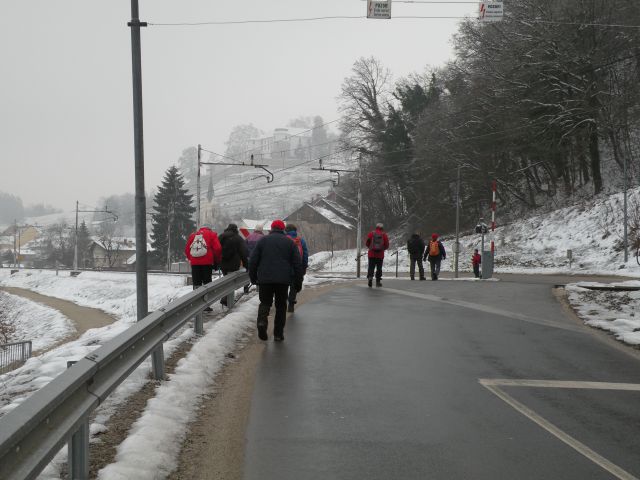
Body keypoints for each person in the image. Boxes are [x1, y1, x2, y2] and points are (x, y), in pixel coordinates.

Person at [249, 219, 303, 342]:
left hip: (265, 279)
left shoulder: (263, 241)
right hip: (283, 281)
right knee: (280, 306)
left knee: (265, 302)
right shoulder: (289, 243)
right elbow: (297, 264)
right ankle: (278, 334)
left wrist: (253, 278)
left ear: (272, 229)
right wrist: (298, 282)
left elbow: (253, 261)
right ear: (282, 229)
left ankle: (262, 322)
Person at [184, 224, 222, 310]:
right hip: (207, 263)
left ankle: (196, 304)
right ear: (209, 228)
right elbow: (218, 248)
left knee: (196, 283)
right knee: (207, 282)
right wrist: (216, 259)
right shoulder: (212, 234)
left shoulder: (194, 235)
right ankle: (206, 304)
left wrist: (192, 259)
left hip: (195, 264)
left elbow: (187, 250)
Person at [219, 223, 249, 306]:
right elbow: (243, 253)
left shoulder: (221, 236)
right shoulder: (238, 238)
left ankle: (226, 298)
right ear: (236, 229)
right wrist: (246, 265)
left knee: (226, 279)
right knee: (231, 281)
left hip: (223, 262)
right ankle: (226, 299)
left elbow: (217, 249)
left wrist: (217, 262)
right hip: (234, 263)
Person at [285, 223, 309, 312]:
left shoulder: (283, 239)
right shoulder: (301, 241)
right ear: (295, 231)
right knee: (294, 286)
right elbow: (305, 254)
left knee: (284, 285)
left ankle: (283, 303)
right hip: (297, 267)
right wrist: (304, 266)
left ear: (286, 231)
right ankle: (291, 304)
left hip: (285, 268)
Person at [365, 223, 389, 288]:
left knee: (371, 267)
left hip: (371, 254)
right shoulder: (384, 235)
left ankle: (370, 278)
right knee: (379, 268)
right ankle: (378, 281)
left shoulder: (371, 234)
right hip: (380, 255)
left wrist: (370, 248)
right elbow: (387, 245)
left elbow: (367, 243)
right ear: (382, 228)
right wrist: (382, 249)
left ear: (376, 227)